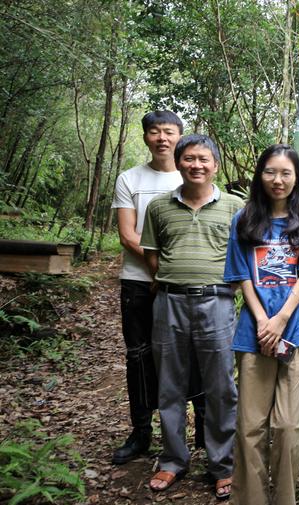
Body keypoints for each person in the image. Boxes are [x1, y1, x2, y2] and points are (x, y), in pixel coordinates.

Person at [224, 144, 299, 505]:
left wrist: (281, 318)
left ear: (296, 177)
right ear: (259, 175)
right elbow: (241, 275)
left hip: (294, 334)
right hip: (253, 336)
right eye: (270, 172)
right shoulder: (244, 219)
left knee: (288, 426)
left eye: (285, 173)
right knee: (250, 426)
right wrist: (263, 320)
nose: (278, 180)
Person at [140, 134, 242, 497]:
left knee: (221, 386)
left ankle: (222, 465)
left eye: (203, 159)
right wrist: (172, 280)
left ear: (215, 165)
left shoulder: (235, 207)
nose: (196, 165)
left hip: (217, 303)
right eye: (189, 159)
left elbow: (245, 257)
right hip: (169, 302)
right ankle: (172, 461)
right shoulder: (159, 207)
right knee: (169, 384)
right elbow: (152, 255)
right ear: (179, 163)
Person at [110, 111, 205, 465]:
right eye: (154, 132)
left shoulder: (195, 175)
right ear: (146, 137)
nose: (162, 138)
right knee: (139, 356)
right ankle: (141, 432)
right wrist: (160, 268)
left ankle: (203, 432)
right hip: (138, 283)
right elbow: (127, 234)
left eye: (169, 132)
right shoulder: (130, 178)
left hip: (186, 287)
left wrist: (173, 272)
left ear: (180, 136)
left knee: (194, 356)